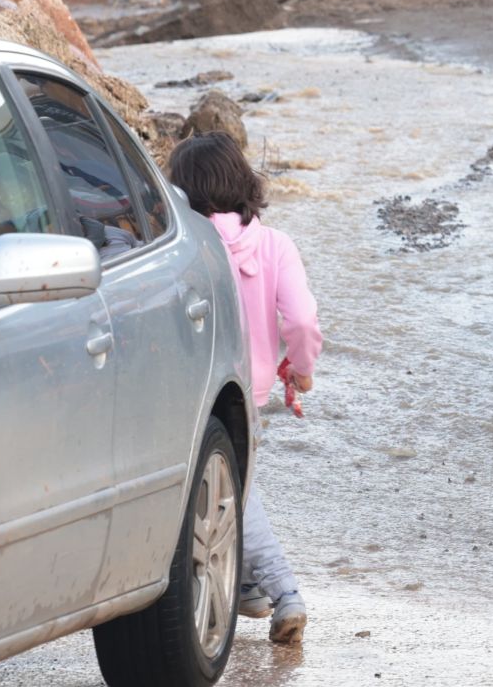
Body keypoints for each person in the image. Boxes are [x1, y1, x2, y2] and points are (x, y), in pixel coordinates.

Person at [168, 131, 322, 646]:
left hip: (192, 388)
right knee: (235, 487)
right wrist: (301, 369)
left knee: (232, 492)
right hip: (249, 392)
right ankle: (261, 590)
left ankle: (282, 593)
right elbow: (300, 320)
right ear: (242, 180)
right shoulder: (276, 245)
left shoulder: (186, 246)